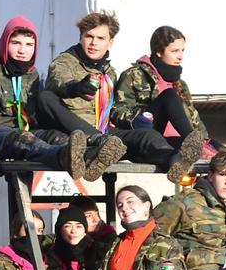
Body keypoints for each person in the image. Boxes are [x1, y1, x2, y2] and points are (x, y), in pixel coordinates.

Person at [112, 25, 226, 185]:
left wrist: (206, 141)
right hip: (149, 134)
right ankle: (198, 144)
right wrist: (141, 118)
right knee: (168, 96)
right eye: (175, 51)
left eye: (183, 50)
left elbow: (192, 116)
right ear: (158, 51)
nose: (180, 56)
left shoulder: (179, 83)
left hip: (178, 141)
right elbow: (118, 112)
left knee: (215, 146)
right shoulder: (134, 74)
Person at [41, 11, 205, 183]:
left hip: (106, 133)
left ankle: (175, 160)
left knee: (147, 137)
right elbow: (57, 79)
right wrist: (76, 87)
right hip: (77, 134)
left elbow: (115, 112)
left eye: (100, 38)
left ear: (110, 42)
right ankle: (96, 147)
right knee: (45, 97)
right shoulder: (65, 61)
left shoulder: (109, 72)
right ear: (81, 37)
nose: (93, 43)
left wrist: (137, 121)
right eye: (89, 36)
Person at [0, 16, 125, 181]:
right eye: (16, 43)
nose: (22, 51)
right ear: (5, 43)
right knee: (24, 139)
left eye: (29, 45)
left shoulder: (31, 73)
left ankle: (90, 156)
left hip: (27, 132)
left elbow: (34, 116)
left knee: (57, 137)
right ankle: (63, 156)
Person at [42, 205, 106, 270]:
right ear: (59, 230)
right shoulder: (49, 257)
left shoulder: (99, 252)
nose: (73, 231)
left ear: (84, 231)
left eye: (79, 226)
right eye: (67, 226)